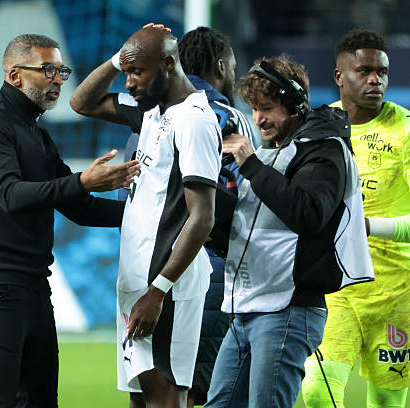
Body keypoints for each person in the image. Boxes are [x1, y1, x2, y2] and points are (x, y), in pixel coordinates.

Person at [0, 33, 140, 408]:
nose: (58, 79)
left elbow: (80, 207)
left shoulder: (37, 133)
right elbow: (10, 194)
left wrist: (150, 218)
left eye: (61, 71)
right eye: (48, 70)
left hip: (35, 286)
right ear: (15, 75)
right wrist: (82, 181)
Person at [205, 54, 374, 407]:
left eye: (267, 108)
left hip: (288, 309)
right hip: (249, 306)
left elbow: (308, 214)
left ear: (296, 104)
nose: (258, 119)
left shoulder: (325, 149)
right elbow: (255, 227)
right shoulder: (273, 151)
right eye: (254, 109)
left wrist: (250, 164)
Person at [71, 24, 219, 407]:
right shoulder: (150, 111)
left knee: (165, 397)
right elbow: (81, 102)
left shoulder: (194, 120)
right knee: (141, 399)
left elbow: (202, 218)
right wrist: (119, 58)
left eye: (137, 71)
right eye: (127, 72)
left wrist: (158, 292)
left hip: (166, 289)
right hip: (138, 284)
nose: (130, 82)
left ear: (168, 64)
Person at [302, 29, 410, 408]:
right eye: (364, 71)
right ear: (339, 76)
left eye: (382, 72)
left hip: (395, 291)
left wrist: (365, 228)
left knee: (387, 403)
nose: (375, 80)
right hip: (335, 290)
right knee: (318, 393)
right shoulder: (317, 127)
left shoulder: (405, 130)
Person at [176, 26, 256, 407]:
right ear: (221, 66)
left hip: (157, 264)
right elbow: (247, 197)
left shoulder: (152, 114)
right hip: (214, 266)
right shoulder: (228, 117)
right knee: (212, 388)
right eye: (233, 68)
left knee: (163, 387)